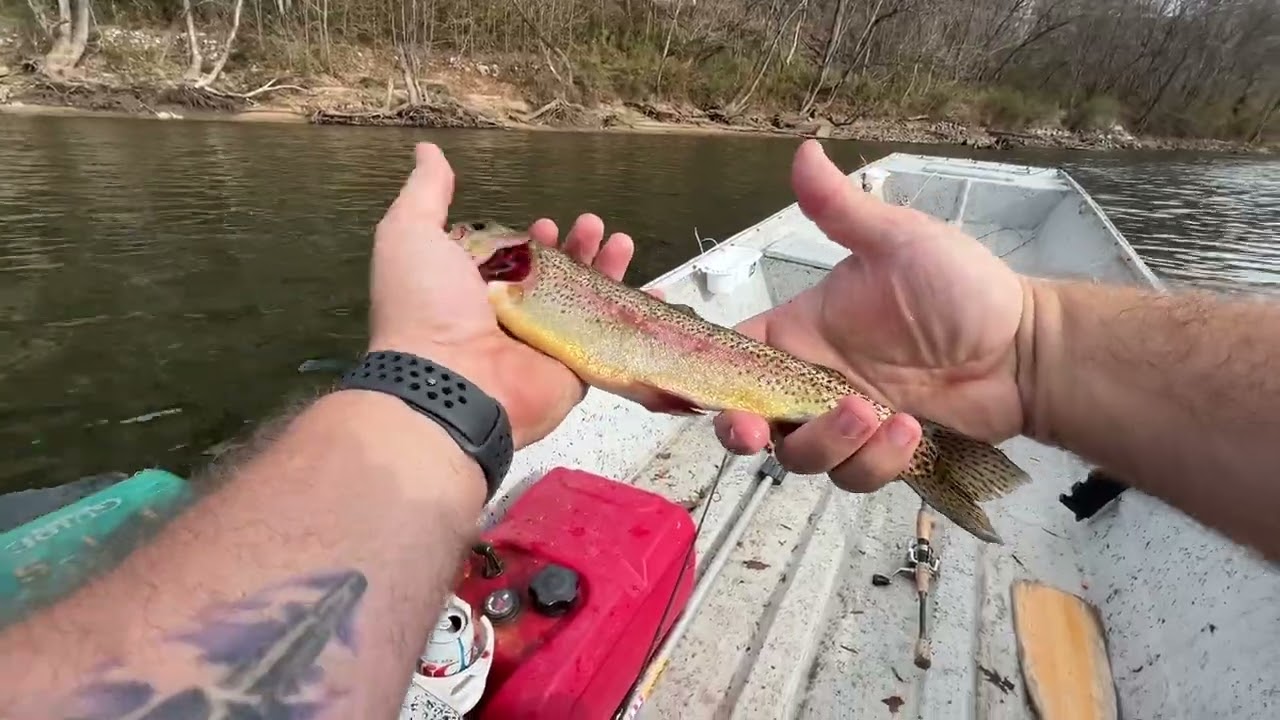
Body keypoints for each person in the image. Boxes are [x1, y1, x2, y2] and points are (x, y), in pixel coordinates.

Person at [1, 139, 1276, 718]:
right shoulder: (507, 288)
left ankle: (950, 462)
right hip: (719, 372)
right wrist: (1031, 356)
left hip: (743, 377)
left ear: (478, 252)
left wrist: (423, 380)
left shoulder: (497, 270)